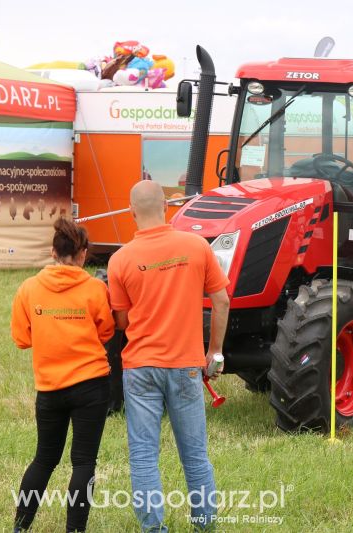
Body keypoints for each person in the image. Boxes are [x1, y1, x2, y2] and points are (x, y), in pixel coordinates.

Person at [107, 181, 230, 531]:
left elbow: (122, 320)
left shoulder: (120, 260)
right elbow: (221, 300)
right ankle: (204, 524)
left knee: (144, 455)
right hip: (186, 367)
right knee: (195, 455)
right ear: (167, 205)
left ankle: (153, 528)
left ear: (132, 211)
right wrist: (215, 352)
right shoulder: (196, 246)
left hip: (140, 368)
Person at [11, 218, 114, 532]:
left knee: (44, 459)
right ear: (83, 255)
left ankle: (20, 526)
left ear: (53, 251)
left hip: (50, 388)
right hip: (91, 386)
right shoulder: (95, 288)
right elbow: (107, 331)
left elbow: (22, 339)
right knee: (84, 462)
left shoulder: (29, 288)